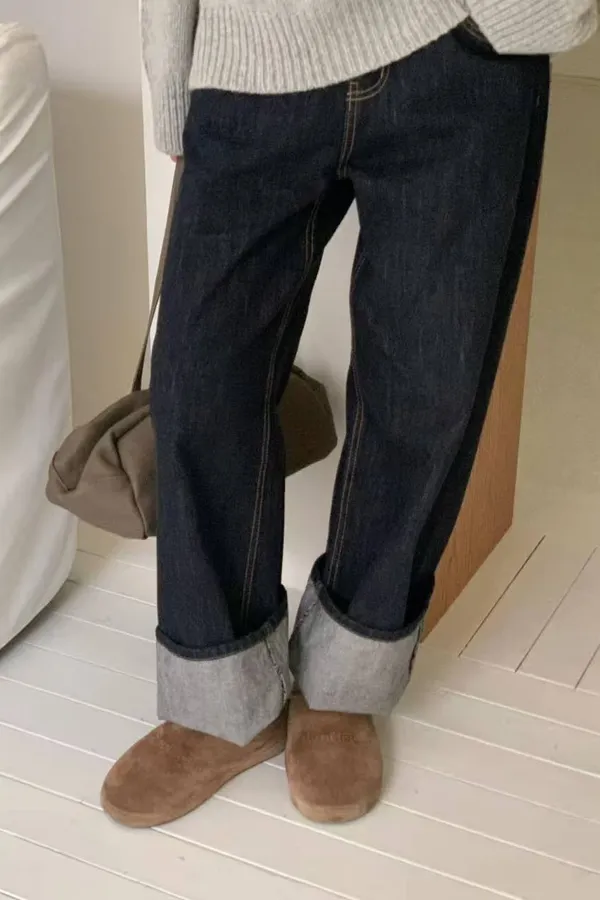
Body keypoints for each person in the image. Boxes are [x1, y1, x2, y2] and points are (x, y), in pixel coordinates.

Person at [101, 1, 597, 828]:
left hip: (459, 54)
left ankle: (346, 684)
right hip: (253, 50)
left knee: (427, 390)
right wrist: (173, 80)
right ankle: (220, 699)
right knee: (201, 380)